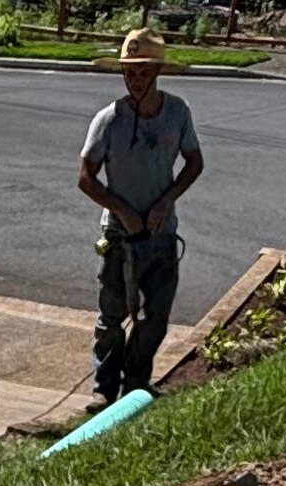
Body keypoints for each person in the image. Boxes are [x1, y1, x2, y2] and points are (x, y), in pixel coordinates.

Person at [76, 28, 203, 409]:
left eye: (142, 71)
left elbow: (194, 162)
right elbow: (86, 177)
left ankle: (136, 382)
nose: (134, 78)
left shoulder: (176, 112)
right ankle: (104, 386)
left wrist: (166, 201)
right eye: (129, 71)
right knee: (111, 313)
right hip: (119, 233)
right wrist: (123, 210)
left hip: (161, 233)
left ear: (157, 72)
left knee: (156, 315)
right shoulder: (108, 119)